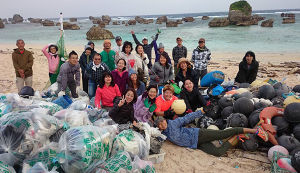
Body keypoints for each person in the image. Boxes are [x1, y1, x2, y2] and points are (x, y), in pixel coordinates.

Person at [155, 111, 268, 157]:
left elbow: (186, 118)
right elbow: (154, 136)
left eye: (162, 122)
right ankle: (237, 137)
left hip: (199, 134)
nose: (162, 125)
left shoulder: (174, 123)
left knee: (222, 134)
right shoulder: (164, 134)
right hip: (196, 144)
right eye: (159, 125)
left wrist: (200, 112)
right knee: (217, 152)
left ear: (165, 120)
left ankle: (255, 130)